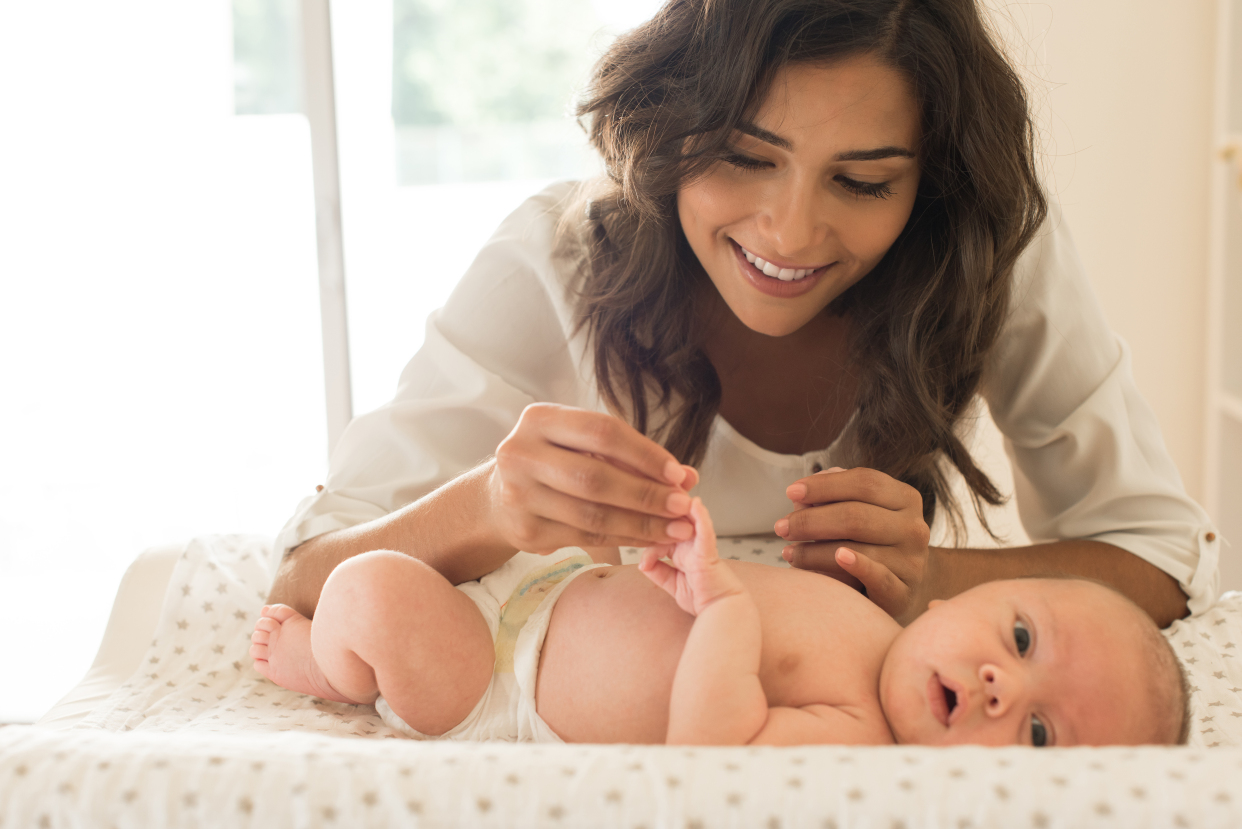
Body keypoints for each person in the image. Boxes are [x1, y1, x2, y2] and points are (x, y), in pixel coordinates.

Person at [268, 0, 1219, 629]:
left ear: (931, 187)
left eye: (861, 180)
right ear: (668, 124)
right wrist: (487, 506)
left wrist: (932, 582)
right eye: (745, 157)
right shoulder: (557, 256)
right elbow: (308, 574)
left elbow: (1157, 559)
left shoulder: (983, 252)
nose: (791, 231)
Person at [250, 497, 1190, 747]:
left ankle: (330, 668)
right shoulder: (872, 621)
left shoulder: (863, 738)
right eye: (1020, 640)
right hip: (564, 591)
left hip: (502, 677)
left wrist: (726, 604)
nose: (1002, 682)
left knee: (373, 589)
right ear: (950, 596)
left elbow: (712, 745)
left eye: (1036, 732)